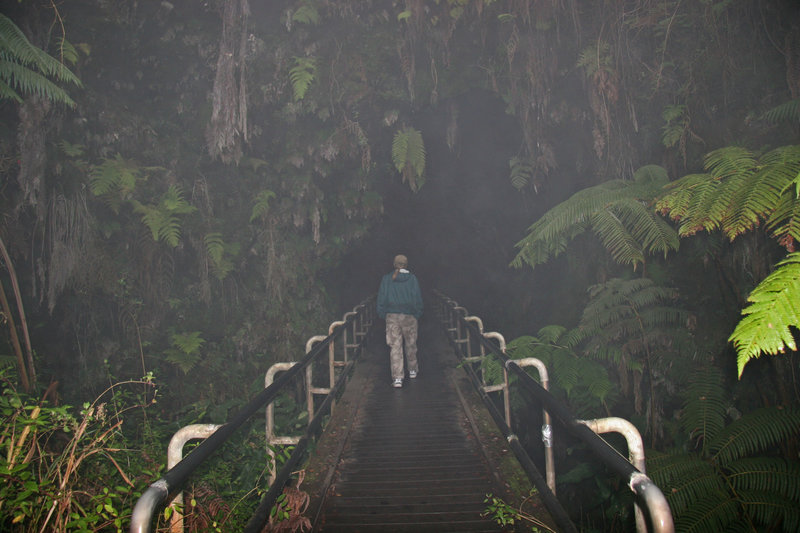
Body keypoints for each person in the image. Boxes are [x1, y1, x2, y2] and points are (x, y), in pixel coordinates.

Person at [377, 254, 423, 388]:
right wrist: (417, 313)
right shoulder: (412, 279)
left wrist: (383, 314)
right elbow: (417, 298)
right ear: (406, 265)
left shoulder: (386, 279)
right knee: (411, 344)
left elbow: (381, 298)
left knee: (395, 347)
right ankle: (413, 370)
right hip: (409, 316)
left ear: (394, 264)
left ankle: (398, 378)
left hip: (392, 317)